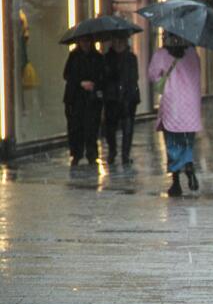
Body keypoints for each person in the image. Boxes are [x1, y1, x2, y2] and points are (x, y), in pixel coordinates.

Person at [147, 34, 202, 197]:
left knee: (172, 143)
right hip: (191, 104)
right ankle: (189, 163)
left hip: (172, 103)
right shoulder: (192, 53)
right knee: (187, 141)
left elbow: (153, 76)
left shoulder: (161, 54)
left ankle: (176, 182)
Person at [63, 36, 104, 166]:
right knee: (76, 127)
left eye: (87, 41)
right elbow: (67, 74)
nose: (85, 44)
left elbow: (102, 77)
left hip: (91, 99)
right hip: (75, 98)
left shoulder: (97, 57)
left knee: (91, 127)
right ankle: (76, 153)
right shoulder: (74, 56)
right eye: (83, 41)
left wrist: (94, 85)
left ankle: (91, 153)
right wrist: (80, 82)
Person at [103, 33, 140, 166]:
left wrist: (125, 87)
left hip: (129, 97)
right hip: (112, 98)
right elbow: (104, 77)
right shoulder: (107, 58)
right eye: (116, 41)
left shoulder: (131, 58)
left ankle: (125, 154)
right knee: (110, 128)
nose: (118, 44)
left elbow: (134, 77)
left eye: (121, 41)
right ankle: (112, 151)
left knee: (128, 127)